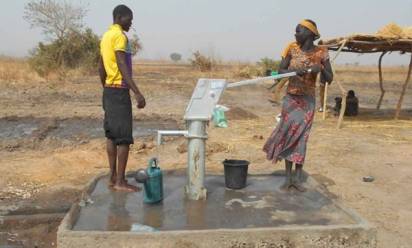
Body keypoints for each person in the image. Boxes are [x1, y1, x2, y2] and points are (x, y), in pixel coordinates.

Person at [263, 19, 333, 192]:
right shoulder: (291, 48)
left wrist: (321, 69)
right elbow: (279, 72)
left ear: (310, 33)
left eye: (298, 31)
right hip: (291, 100)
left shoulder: (322, 52)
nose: (295, 34)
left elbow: (329, 78)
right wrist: (294, 72)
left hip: (307, 101)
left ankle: (297, 179)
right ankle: (288, 179)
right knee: (288, 135)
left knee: (302, 138)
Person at [99, 4, 146, 192]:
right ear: (119, 17)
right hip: (118, 91)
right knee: (124, 138)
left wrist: (106, 87)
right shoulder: (119, 36)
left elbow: (101, 66)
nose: (131, 22)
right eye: (129, 18)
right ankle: (120, 181)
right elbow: (120, 63)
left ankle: (112, 177)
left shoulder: (105, 36)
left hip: (109, 90)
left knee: (111, 135)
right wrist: (136, 91)